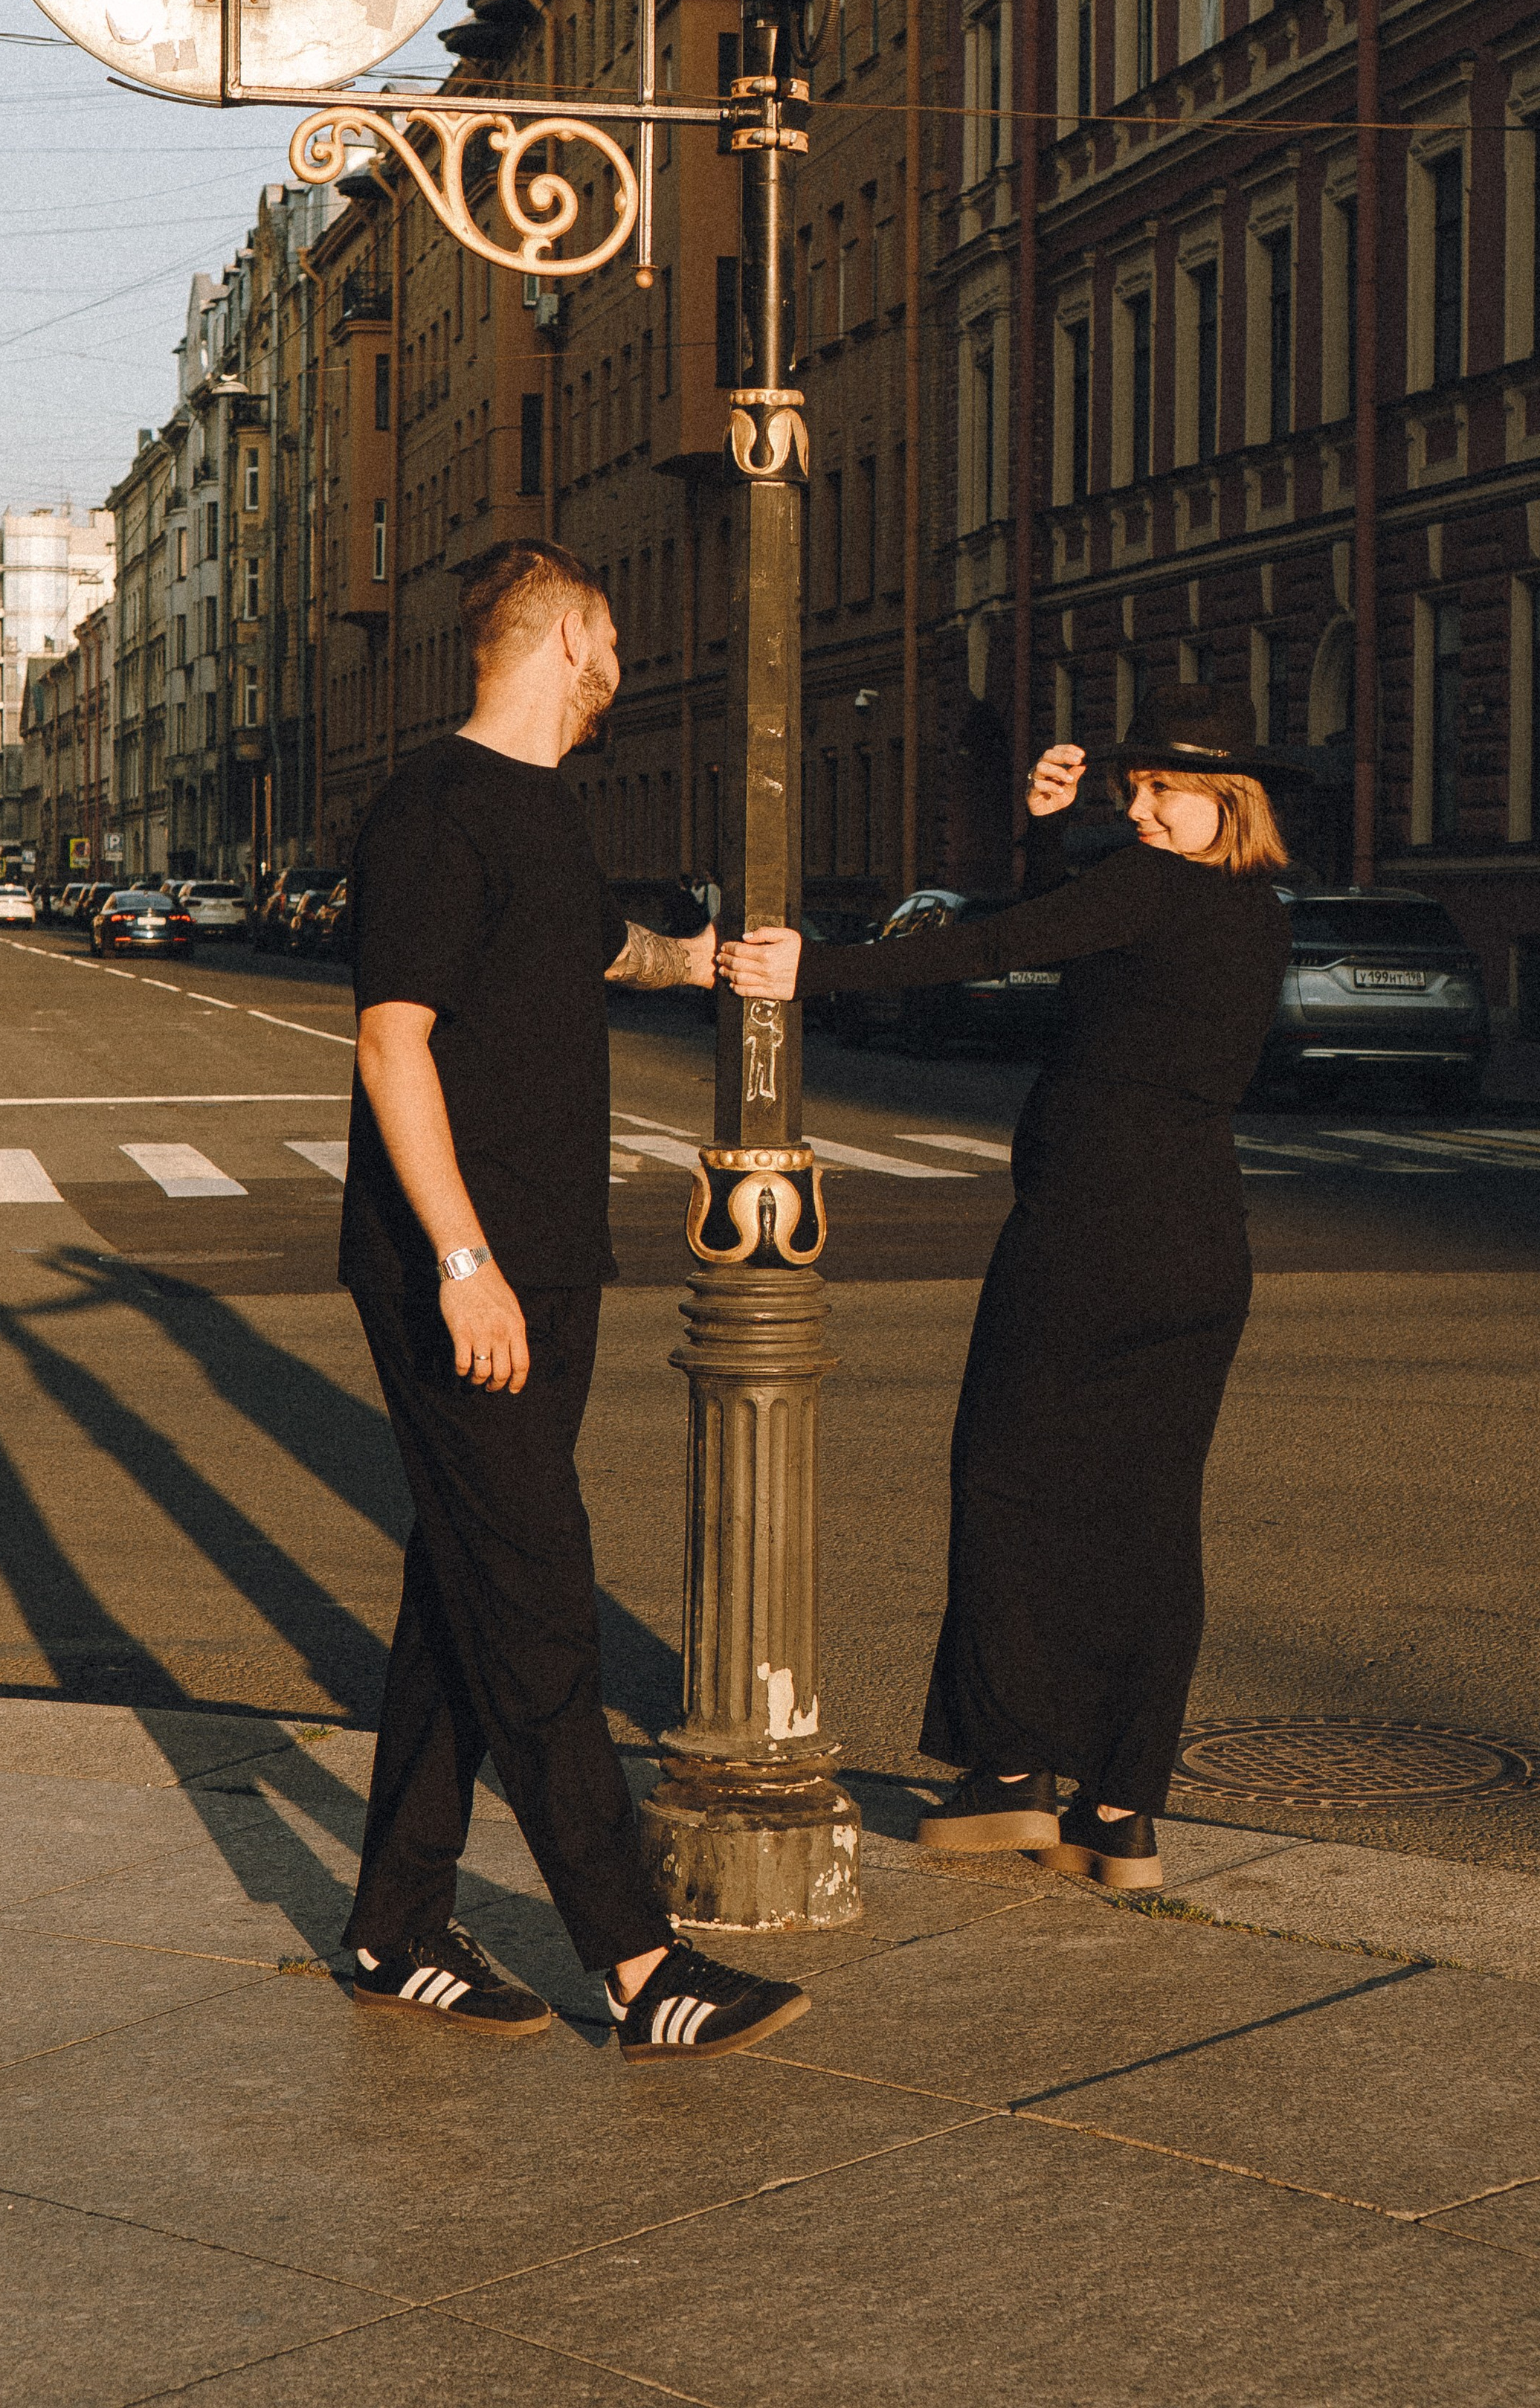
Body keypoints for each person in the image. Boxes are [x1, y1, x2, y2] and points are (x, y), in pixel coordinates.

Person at [338, 538, 810, 2063]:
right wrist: (463, 1264)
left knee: (460, 1590)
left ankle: (392, 1924)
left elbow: (574, 946)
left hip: (545, 1262)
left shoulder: (544, 813)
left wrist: (697, 962)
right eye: (608, 634)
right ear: (565, 643)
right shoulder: (430, 811)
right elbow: (392, 1044)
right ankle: (635, 1959)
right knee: (536, 1597)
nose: (621, 661)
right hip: (461, 1271)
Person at [719, 682, 1298, 1894]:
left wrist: (807, 971)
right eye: (1133, 786)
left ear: (1226, 799)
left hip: (1091, 1232)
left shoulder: (1147, 887)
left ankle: (1014, 1774)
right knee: (1146, 1516)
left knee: (1007, 1477)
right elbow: (1083, 939)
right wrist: (1047, 837)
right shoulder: (1252, 912)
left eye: (1168, 790)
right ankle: (1123, 1807)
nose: (1140, 807)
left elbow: (994, 946)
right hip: (1201, 1240)